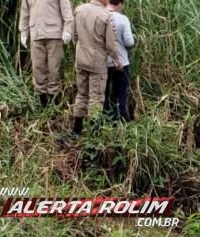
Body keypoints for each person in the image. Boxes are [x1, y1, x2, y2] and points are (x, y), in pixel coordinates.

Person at [72, 0, 122, 135]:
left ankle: (76, 129)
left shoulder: (79, 10)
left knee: (81, 94)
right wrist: (117, 60)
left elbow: (74, 36)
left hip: (81, 59)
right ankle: (94, 133)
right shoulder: (106, 15)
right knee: (96, 97)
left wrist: (80, 50)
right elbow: (111, 45)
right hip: (97, 62)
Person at [19, 0, 74, 108]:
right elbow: (24, 12)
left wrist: (68, 29)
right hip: (36, 34)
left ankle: (54, 104)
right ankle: (42, 104)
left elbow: (66, 9)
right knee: (37, 69)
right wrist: (23, 31)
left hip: (54, 34)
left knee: (54, 69)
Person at [103, 0, 134, 121]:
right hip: (121, 62)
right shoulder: (122, 19)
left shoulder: (101, 16)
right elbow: (129, 42)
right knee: (120, 93)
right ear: (120, 4)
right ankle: (120, 120)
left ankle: (104, 119)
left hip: (103, 62)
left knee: (103, 94)